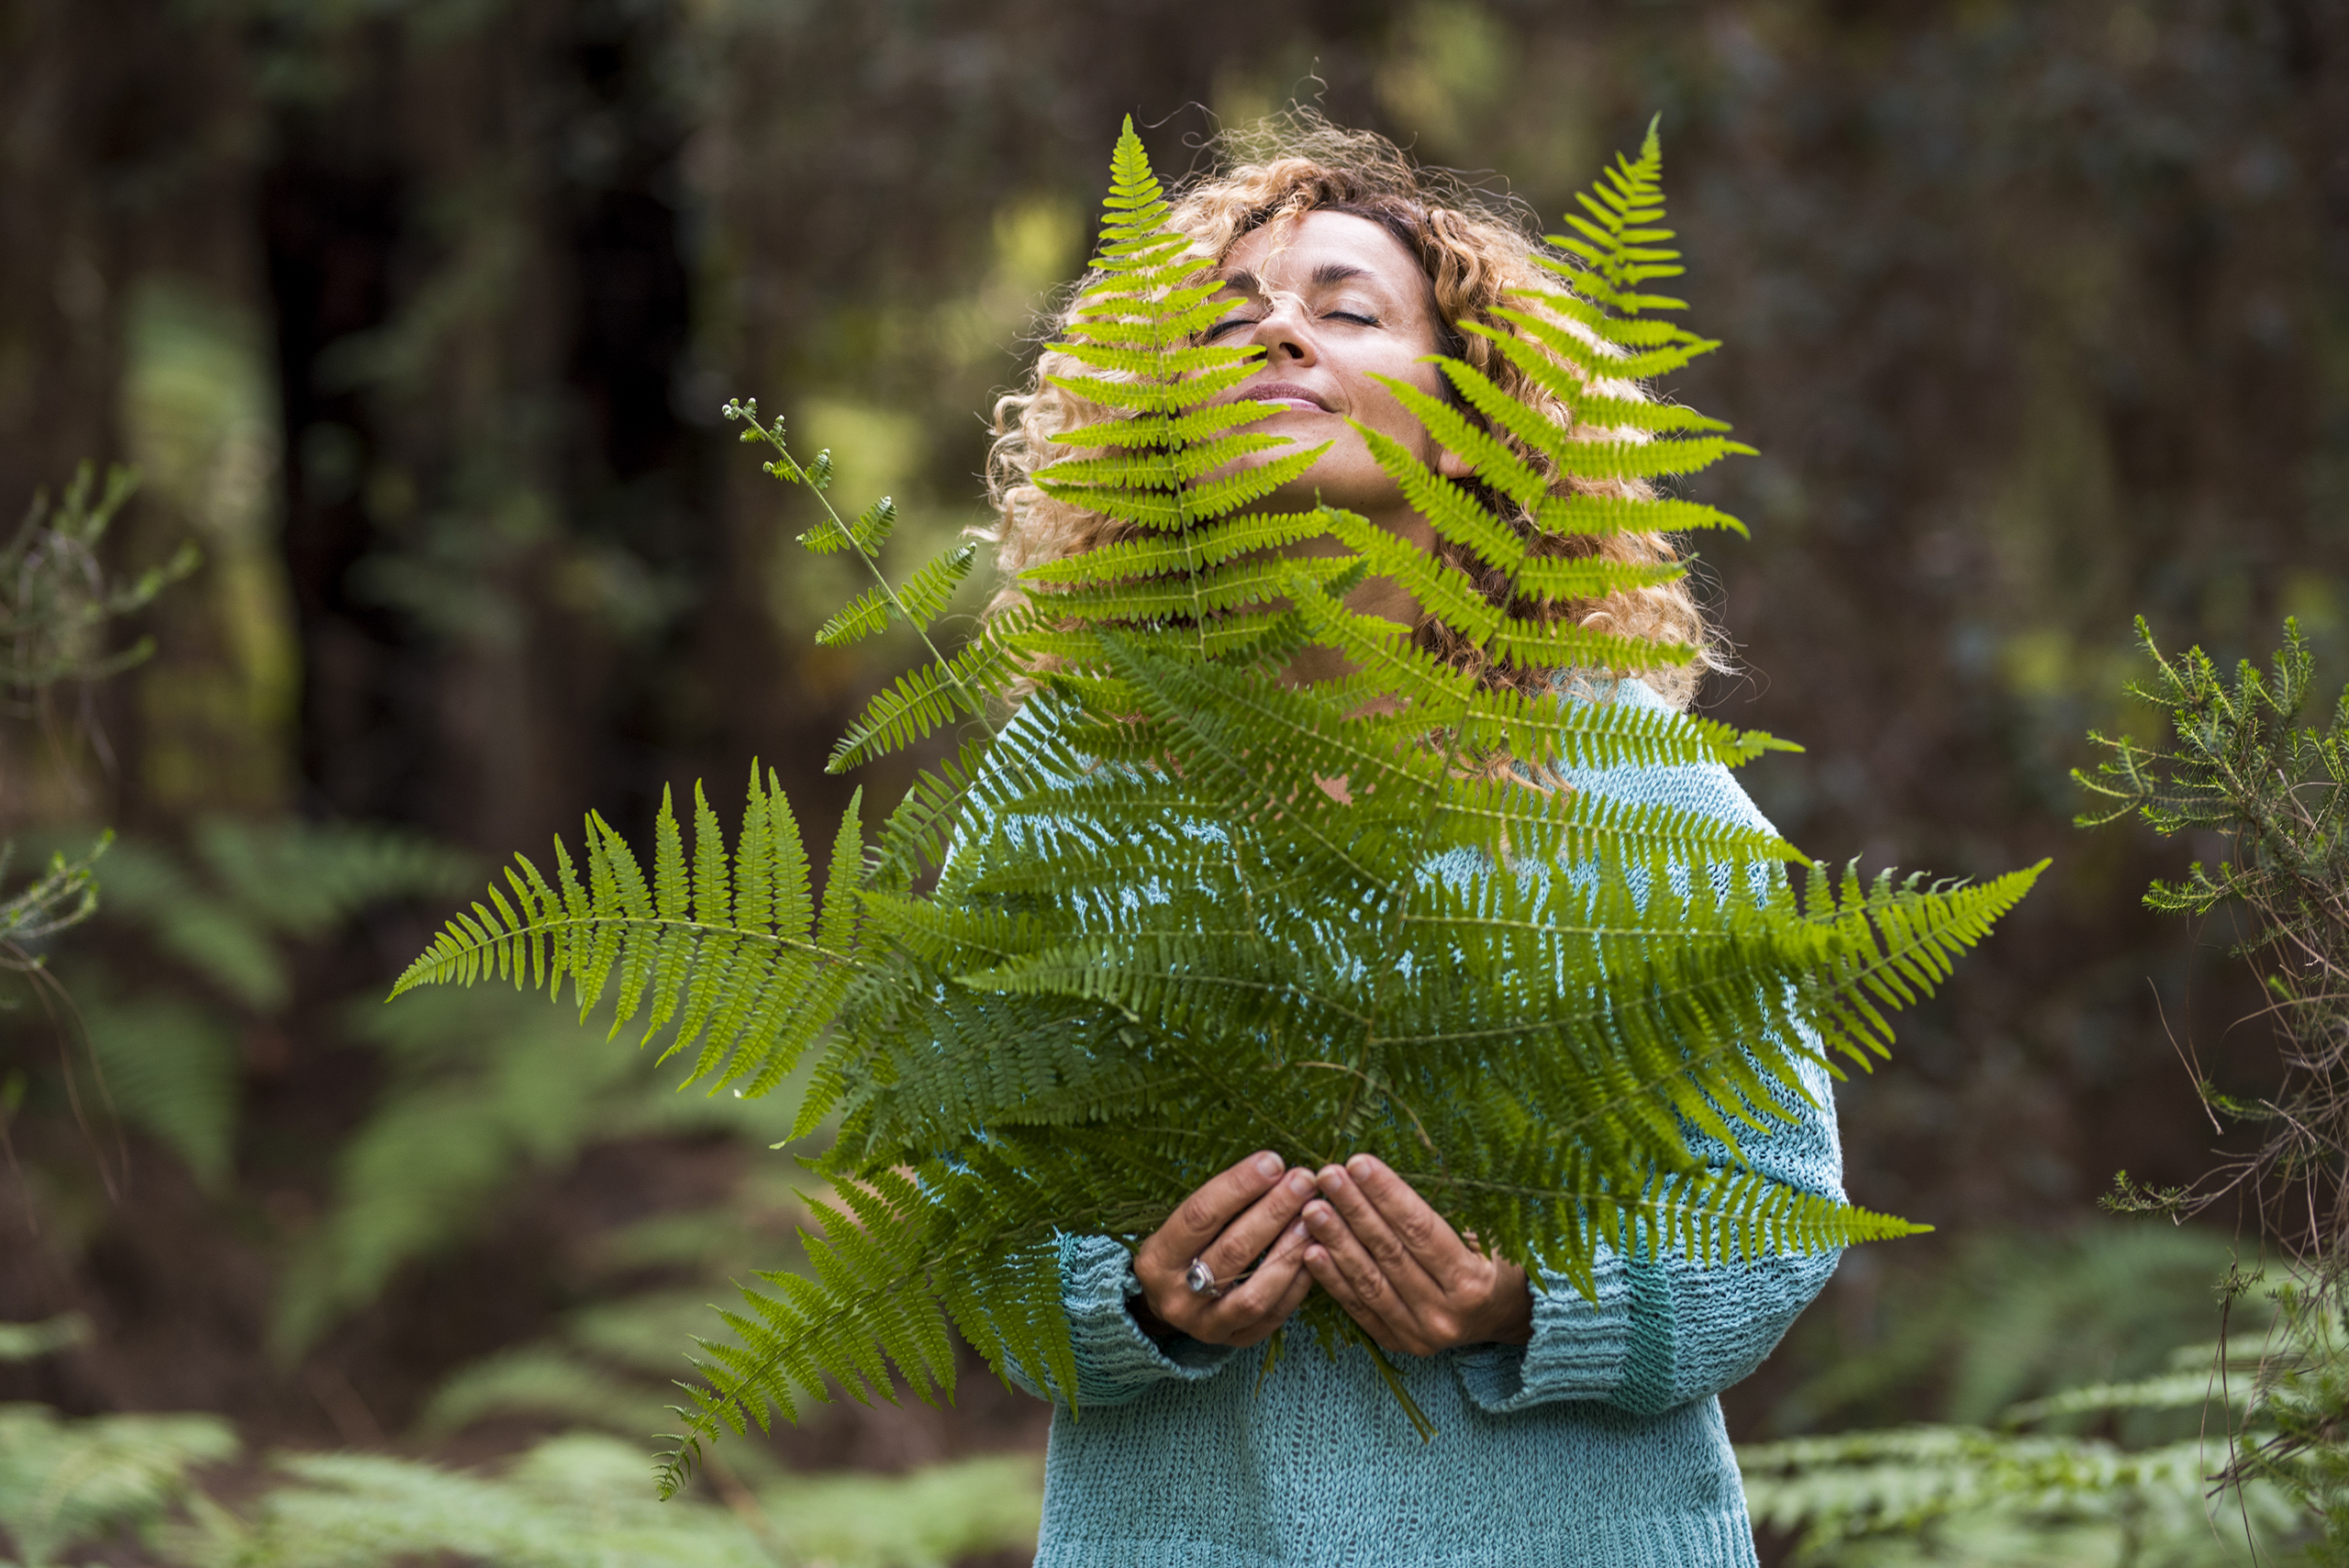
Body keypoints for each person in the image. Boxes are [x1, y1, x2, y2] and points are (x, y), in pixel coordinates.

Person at [977, 117, 1842, 1568]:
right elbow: (950, 1209)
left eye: (1345, 307)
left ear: (1472, 411)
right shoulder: (1069, 774)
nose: (1277, 333)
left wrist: (1530, 1300)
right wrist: (1126, 1296)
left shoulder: (1635, 781)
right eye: (1229, 315)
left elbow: (1782, 1206)